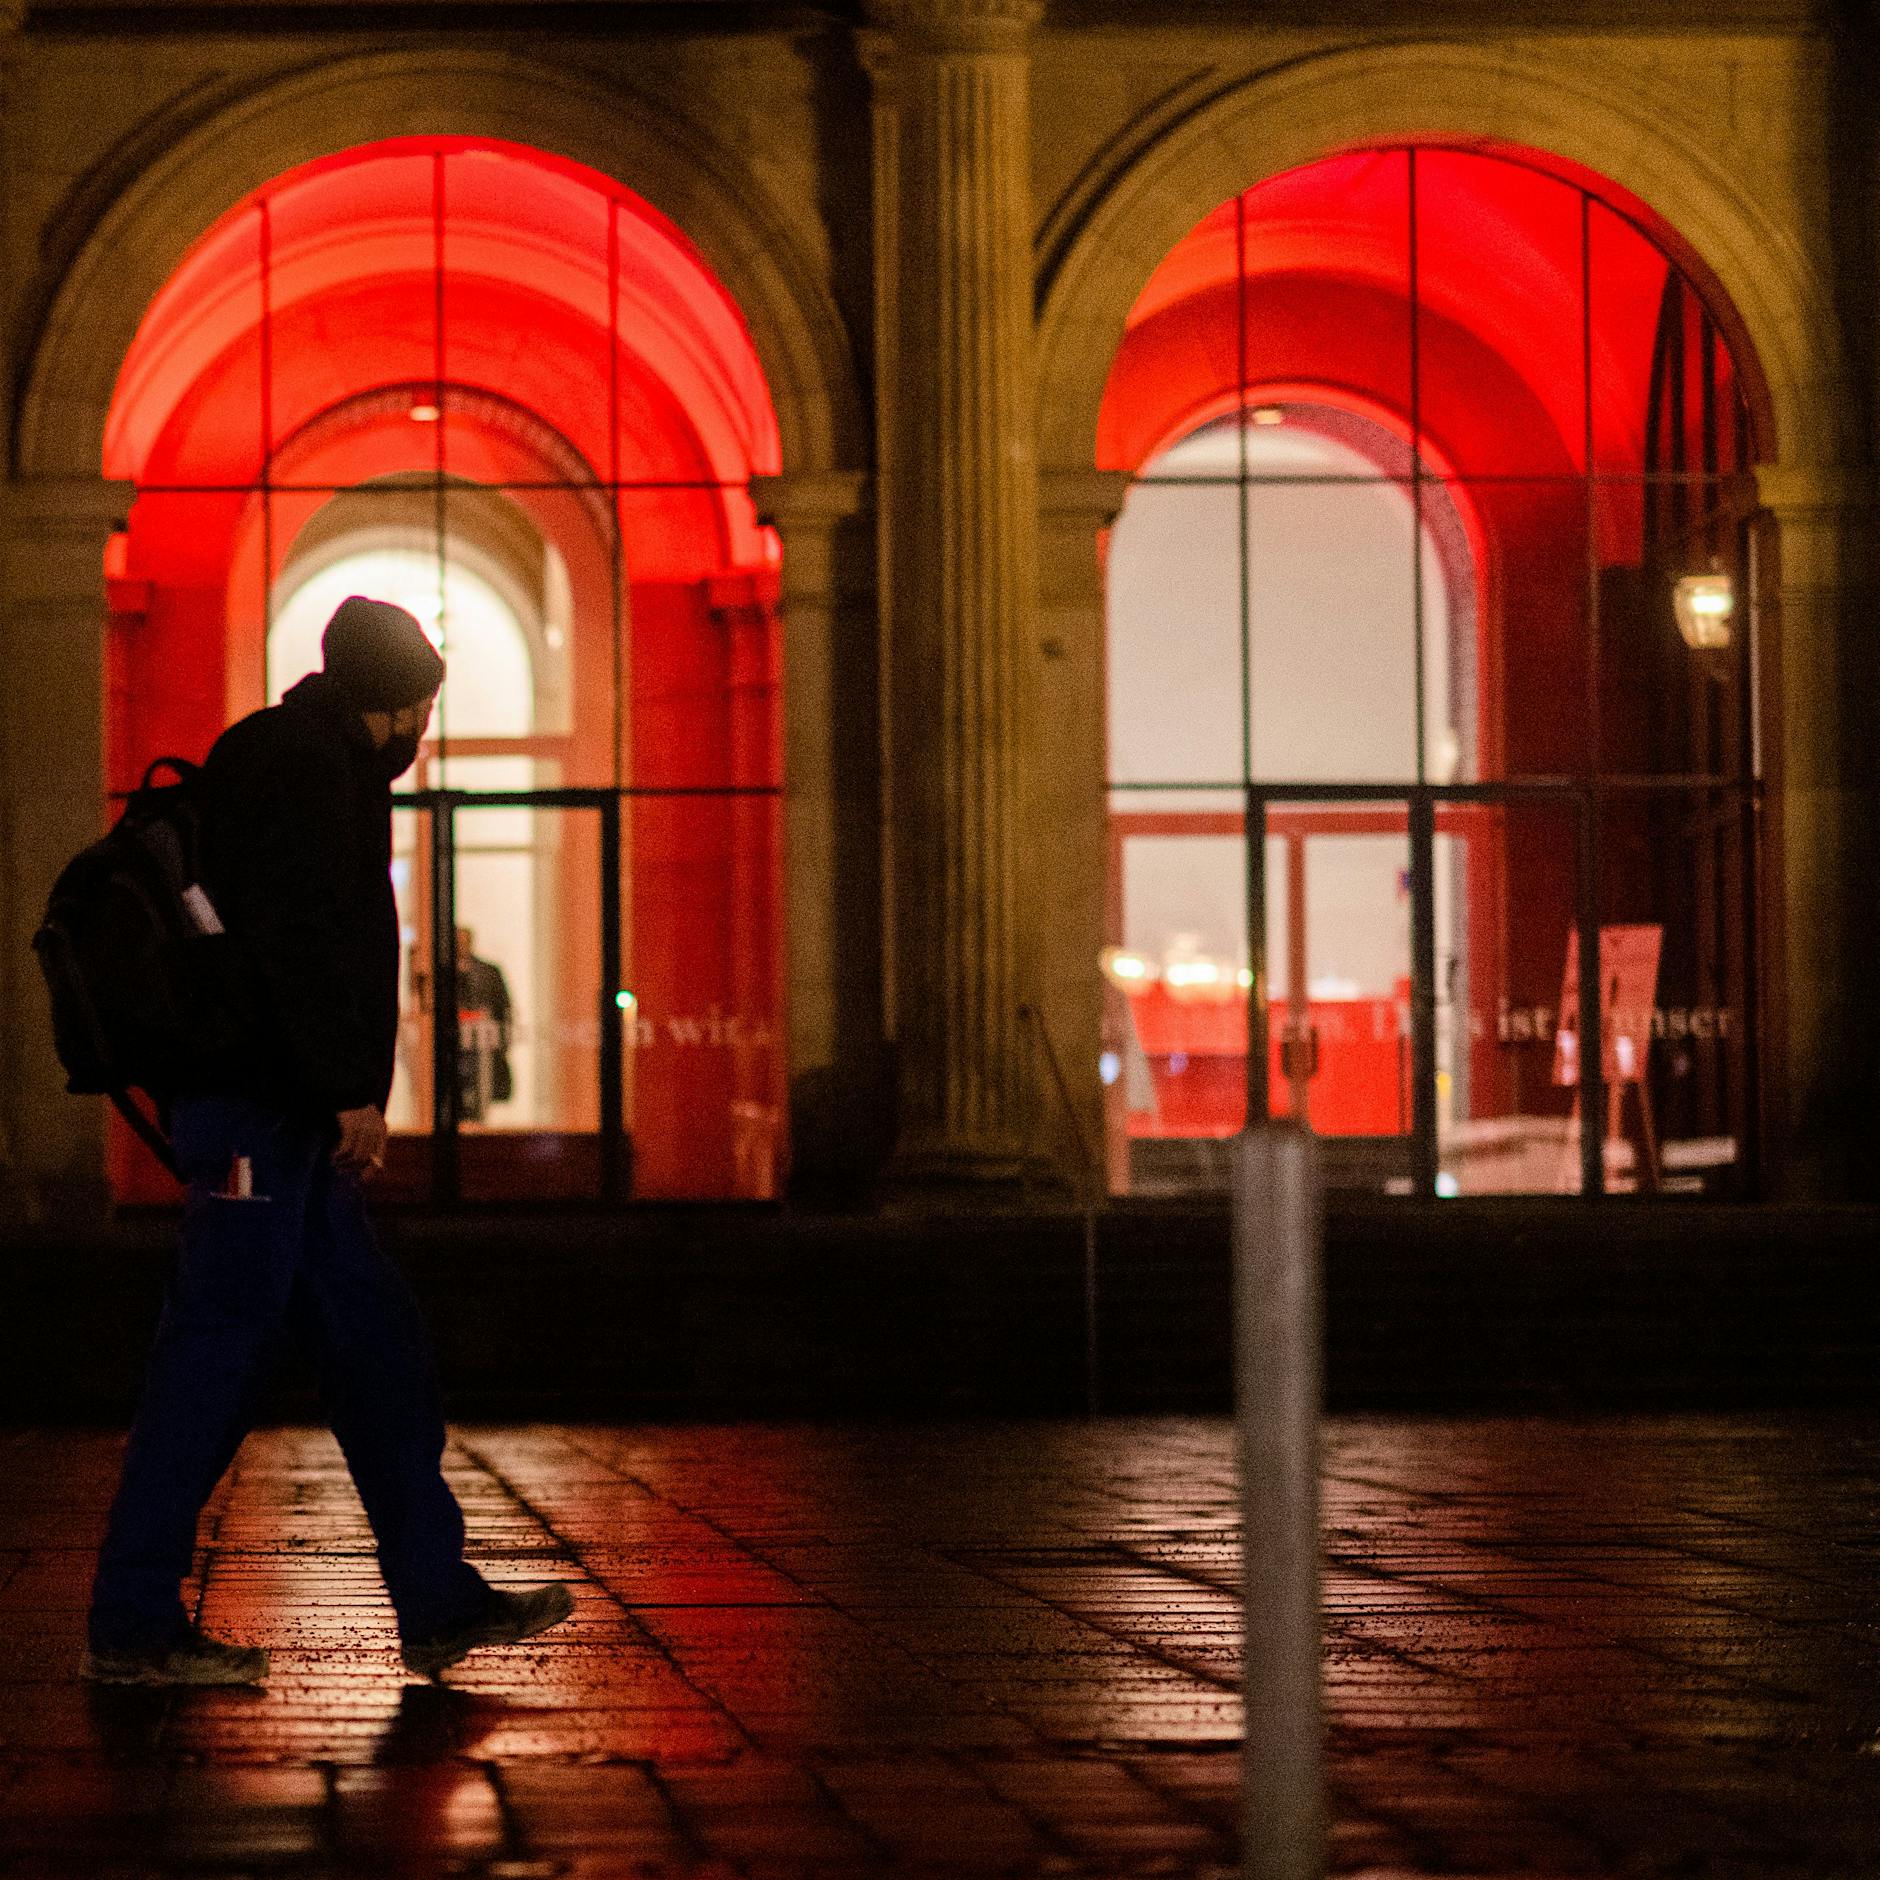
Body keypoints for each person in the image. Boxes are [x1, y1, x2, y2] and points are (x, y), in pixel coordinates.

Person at [81, 596, 572, 1687]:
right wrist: (350, 1088)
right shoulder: (305, 768)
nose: (424, 732)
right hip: (261, 1113)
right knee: (214, 1350)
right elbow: (302, 951)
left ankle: (437, 1599)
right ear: (393, 703)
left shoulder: (287, 752)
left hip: (273, 1112)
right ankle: (130, 1622)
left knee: (375, 1345)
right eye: (422, 708)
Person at [454, 927, 513, 1124]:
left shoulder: (488, 971)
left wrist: (503, 1039)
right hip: (456, 1046)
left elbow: (503, 1008)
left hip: (483, 1042)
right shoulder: (444, 972)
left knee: (482, 1084)